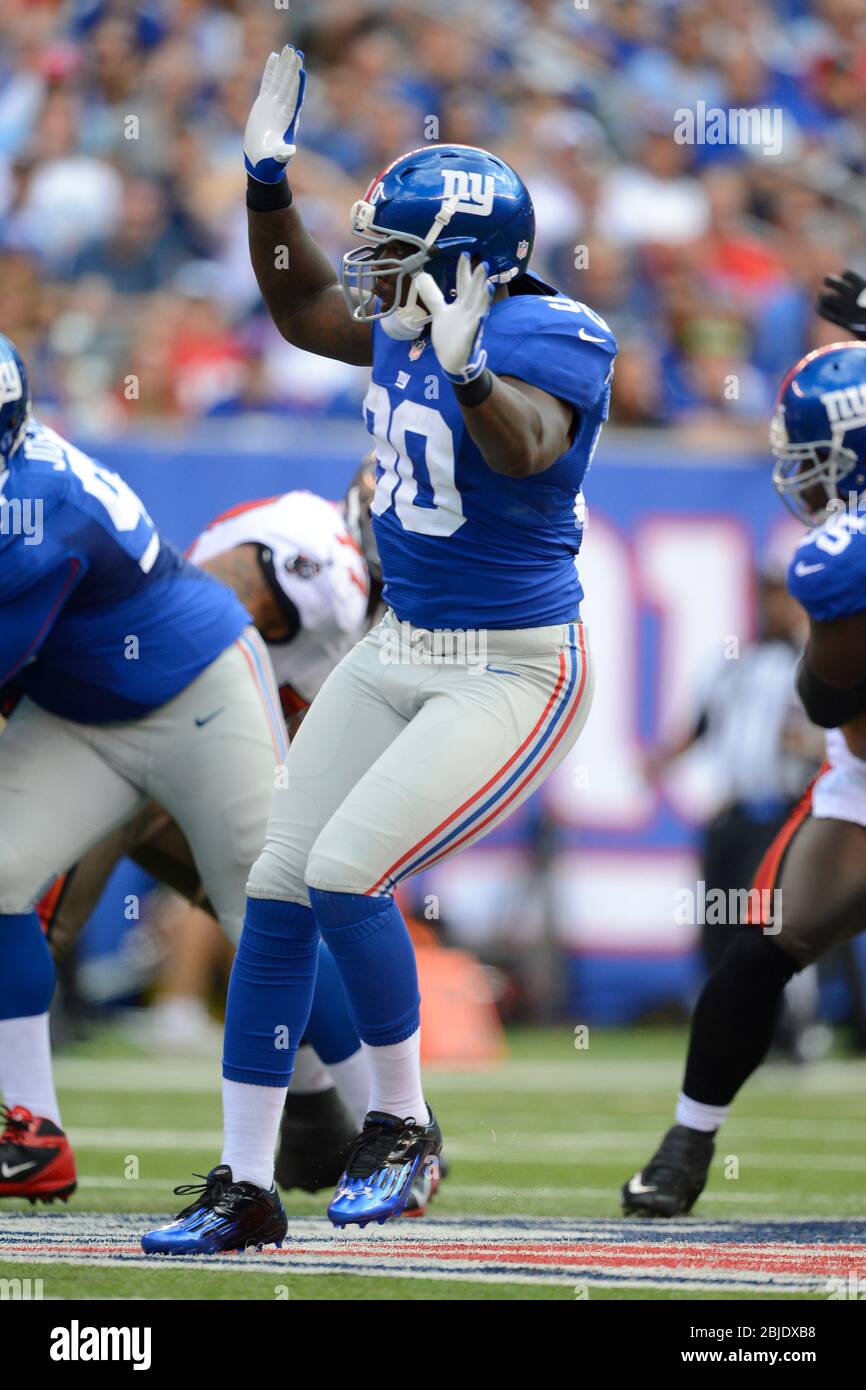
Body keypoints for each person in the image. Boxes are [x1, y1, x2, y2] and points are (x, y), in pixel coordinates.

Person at [142, 42, 613, 1253]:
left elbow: (521, 445)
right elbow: (302, 307)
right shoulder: (412, 314)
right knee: (277, 887)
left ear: (463, 263)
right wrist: (264, 182)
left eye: (398, 252)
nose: (374, 272)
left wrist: (464, 376)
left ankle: (403, 1126)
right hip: (404, 643)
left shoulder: (555, 336)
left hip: (511, 664)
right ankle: (247, 1183)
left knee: (350, 869)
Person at [622, 333, 866, 1217]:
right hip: (859, 789)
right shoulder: (843, 553)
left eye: (812, 456)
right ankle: (689, 1141)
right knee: (760, 951)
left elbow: (825, 692)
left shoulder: (840, 560)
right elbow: (836, 707)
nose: (799, 476)